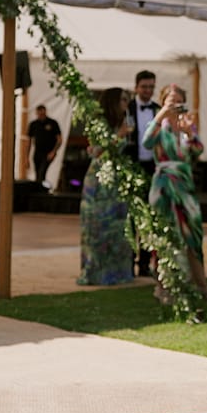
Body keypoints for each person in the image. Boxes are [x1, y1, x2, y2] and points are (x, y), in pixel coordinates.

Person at [143, 83, 207, 304]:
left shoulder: (186, 125)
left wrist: (190, 133)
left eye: (179, 101)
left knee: (193, 235)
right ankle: (164, 287)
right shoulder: (158, 126)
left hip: (185, 185)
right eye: (171, 101)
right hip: (164, 185)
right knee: (165, 236)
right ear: (163, 102)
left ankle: (201, 285)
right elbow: (146, 142)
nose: (175, 105)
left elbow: (198, 150)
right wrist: (162, 115)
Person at [77, 88, 134, 286]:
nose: (126, 104)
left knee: (118, 227)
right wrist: (119, 136)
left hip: (117, 179)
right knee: (98, 225)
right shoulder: (99, 124)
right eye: (123, 100)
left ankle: (118, 272)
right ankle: (97, 272)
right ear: (113, 102)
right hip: (99, 179)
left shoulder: (123, 122)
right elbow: (97, 152)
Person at [124, 70, 160, 277]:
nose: (148, 91)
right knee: (131, 218)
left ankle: (145, 263)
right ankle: (128, 262)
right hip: (132, 167)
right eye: (144, 87)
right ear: (136, 87)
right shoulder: (127, 109)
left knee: (149, 217)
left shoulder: (158, 109)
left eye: (151, 87)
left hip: (153, 169)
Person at [25, 104, 62, 187]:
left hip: (48, 153)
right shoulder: (33, 124)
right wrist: (26, 157)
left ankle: (42, 189)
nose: (41, 116)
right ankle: (40, 189)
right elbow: (28, 142)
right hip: (37, 153)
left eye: (42, 114)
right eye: (39, 114)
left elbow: (59, 140)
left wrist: (53, 152)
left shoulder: (52, 123)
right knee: (38, 174)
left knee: (42, 173)